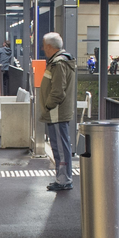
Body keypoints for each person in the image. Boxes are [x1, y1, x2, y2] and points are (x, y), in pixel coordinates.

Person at [37, 32, 77, 191]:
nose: (43, 49)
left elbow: (58, 92)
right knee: (59, 146)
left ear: (49, 46)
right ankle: (62, 178)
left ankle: (64, 180)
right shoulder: (59, 62)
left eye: (44, 46)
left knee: (60, 147)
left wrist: (47, 106)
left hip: (56, 112)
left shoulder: (58, 64)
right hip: (56, 112)